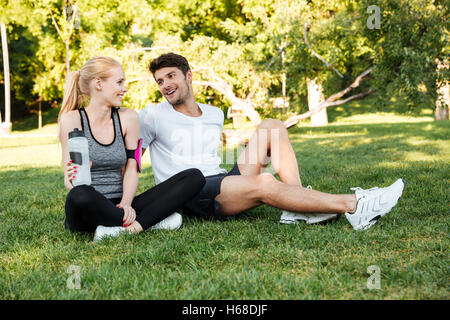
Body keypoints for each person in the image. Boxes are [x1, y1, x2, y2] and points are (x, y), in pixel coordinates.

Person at [139, 53, 405, 231]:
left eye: (171, 76)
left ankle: (298, 206)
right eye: (160, 81)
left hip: (221, 179)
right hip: (191, 192)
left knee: (273, 127)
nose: (165, 85)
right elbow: (130, 154)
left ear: (188, 75)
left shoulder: (214, 113)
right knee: (266, 181)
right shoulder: (152, 116)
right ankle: (355, 206)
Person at [58, 56, 205, 242]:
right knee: (79, 194)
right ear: (98, 83)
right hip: (87, 207)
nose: (124, 88)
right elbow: (68, 180)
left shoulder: (128, 118)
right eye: (119, 82)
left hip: (121, 205)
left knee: (194, 177)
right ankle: (151, 222)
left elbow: (132, 167)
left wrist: (126, 204)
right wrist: (72, 179)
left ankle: (130, 228)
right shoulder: (71, 120)